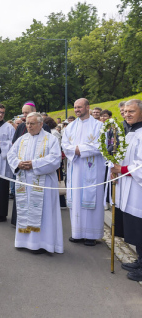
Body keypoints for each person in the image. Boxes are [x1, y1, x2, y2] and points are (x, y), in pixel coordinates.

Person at [7, 112, 63, 253]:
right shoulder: (22, 139)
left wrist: (34, 164)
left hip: (44, 183)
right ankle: (24, 242)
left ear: (40, 124)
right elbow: (10, 155)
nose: (29, 126)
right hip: (24, 183)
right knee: (25, 209)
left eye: (32, 124)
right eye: (27, 123)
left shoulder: (50, 139)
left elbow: (56, 159)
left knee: (44, 213)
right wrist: (19, 163)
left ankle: (43, 244)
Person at [61, 98, 105, 246]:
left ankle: (92, 235)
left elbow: (101, 146)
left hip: (93, 169)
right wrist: (76, 150)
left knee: (91, 197)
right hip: (75, 168)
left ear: (87, 107)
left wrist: (81, 149)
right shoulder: (70, 127)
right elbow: (64, 144)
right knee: (76, 200)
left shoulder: (99, 126)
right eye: (75, 107)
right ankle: (77, 233)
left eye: (79, 107)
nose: (77, 110)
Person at [111, 99, 142, 281]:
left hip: (138, 192)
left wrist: (121, 170)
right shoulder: (130, 132)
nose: (127, 114)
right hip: (129, 188)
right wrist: (113, 169)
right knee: (137, 229)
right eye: (126, 111)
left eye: (132, 111)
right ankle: (140, 260)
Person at [11, 101, 51, 226]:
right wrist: (18, 162)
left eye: (26, 112)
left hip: (37, 173)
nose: (24, 116)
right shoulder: (22, 126)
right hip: (23, 172)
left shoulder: (44, 128)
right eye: (23, 113)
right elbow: (14, 146)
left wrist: (34, 163)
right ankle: (18, 221)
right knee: (22, 198)